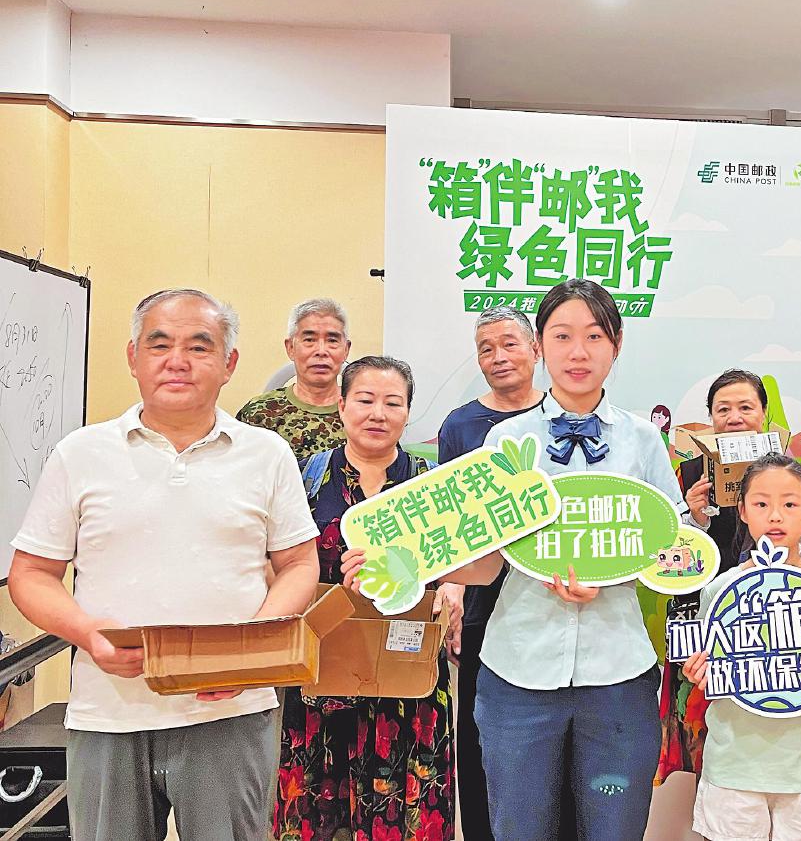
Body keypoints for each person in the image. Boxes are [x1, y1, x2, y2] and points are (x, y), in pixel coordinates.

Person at [8, 288, 320, 841]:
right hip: (108, 715)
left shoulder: (266, 453)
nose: (177, 361)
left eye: (199, 346)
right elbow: (31, 574)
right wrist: (85, 632)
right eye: (159, 345)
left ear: (229, 363)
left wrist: (248, 653)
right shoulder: (80, 453)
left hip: (230, 713)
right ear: (133, 358)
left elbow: (299, 564)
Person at [463, 278, 704, 841]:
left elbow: (673, 549)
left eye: (594, 336)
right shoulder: (505, 439)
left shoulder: (643, 440)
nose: (578, 352)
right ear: (539, 346)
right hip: (518, 667)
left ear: (616, 345)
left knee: (613, 828)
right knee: (519, 828)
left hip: (617, 668)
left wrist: (627, 567)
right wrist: (420, 562)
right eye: (562, 336)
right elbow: (485, 562)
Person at [272, 355, 466, 841]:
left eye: (392, 403)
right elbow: (276, 563)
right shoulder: (304, 479)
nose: (378, 413)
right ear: (341, 405)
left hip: (408, 685)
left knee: (405, 820)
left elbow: (462, 563)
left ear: (408, 412)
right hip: (321, 681)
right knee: (315, 817)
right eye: (364, 400)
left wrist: (452, 588)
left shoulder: (434, 485)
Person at [681, 453, 801, 841]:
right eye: (761, 504)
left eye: (789, 504)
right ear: (742, 511)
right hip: (734, 766)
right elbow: (711, 672)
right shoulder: (720, 591)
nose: (775, 516)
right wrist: (699, 674)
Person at [434, 305, 546, 841]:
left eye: (509, 344)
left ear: (535, 350)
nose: (498, 357)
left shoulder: (561, 417)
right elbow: (447, 522)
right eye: (485, 348)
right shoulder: (460, 425)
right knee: (479, 734)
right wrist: (452, 589)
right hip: (483, 604)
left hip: (549, 601)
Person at [657, 369, 766, 785]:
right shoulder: (689, 473)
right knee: (701, 728)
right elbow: (667, 557)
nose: (734, 417)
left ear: (763, 414)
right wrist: (694, 517)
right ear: (711, 418)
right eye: (723, 409)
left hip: (766, 618)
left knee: (760, 726)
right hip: (700, 618)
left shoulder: (784, 473)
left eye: (745, 407)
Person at [237, 297, 351, 459]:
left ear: (346, 349)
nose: (321, 351)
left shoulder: (362, 410)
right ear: (290, 347)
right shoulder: (259, 413)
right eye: (309, 340)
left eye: (332, 340)